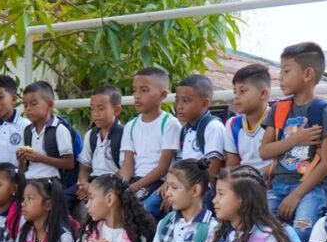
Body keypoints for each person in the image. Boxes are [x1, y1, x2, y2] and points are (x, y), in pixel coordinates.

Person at [260, 42, 327, 242]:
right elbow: (265, 151)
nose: (280, 77)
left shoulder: (323, 110)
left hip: (310, 188)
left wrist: (297, 194)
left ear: (307, 74)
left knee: (302, 231)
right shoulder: (279, 109)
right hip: (278, 185)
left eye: (286, 71)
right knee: (261, 231)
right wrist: (296, 139)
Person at [119, 67, 182, 218]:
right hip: (136, 180)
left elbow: (162, 168)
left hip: (158, 183)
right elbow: (127, 166)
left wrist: (133, 188)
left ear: (163, 95)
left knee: (142, 211)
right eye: (134, 90)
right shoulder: (131, 125)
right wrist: (119, 187)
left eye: (144, 90)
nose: (137, 96)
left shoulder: (169, 124)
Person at [17, 81, 75, 181]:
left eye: (34, 104)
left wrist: (41, 158)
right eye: (25, 105)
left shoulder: (59, 129)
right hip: (30, 180)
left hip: (51, 182)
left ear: (49, 105)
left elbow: (69, 163)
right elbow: (24, 168)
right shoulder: (27, 131)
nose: (28, 109)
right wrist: (21, 160)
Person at [77, 85, 125, 200]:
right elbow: (84, 167)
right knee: (63, 198)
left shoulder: (124, 134)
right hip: (92, 181)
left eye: (101, 108)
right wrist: (83, 185)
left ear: (116, 110)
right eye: (92, 109)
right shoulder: (91, 135)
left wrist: (94, 187)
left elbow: (125, 169)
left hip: (112, 183)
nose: (95, 114)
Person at [174, 74, 225, 180]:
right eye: (177, 100)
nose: (179, 106)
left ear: (205, 103)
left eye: (186, 101)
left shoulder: (213, 127)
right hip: (186, 185)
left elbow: (213, 168)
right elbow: (180, 164)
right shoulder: (185, 130)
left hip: (203, 189)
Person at [225, 64, 273, 172]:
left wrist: (255, 177)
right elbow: (232, 164)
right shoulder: (233, 124)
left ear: (263, 93)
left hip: (271, 182)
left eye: (242, 91)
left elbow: (281, 163)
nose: (236, 96)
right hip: (243, 182)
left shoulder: (278, 120)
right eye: (235, 91)